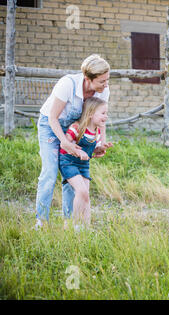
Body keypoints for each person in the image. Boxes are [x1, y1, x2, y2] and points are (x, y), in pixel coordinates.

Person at [35, 54, 111, 229]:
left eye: (107, 80)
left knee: (73, 171)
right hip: (51, 126)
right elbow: (53, 118)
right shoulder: (67, 85)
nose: (106, 85)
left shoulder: (103, 90)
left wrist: (100, 143)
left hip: (74, 129)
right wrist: (65, 142)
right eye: (102, 81)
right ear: (88, 79)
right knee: (51, 170)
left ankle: (68, 223)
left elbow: (101, 119)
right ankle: (41, 221)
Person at [59, 97, 112, 230]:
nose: (106, 116)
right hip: (69, 162)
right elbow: (65, 144)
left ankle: (86, 227)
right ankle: (75, 224)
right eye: (103, 113)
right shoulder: (77, 127)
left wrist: (101, 148)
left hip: (84, 165)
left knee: (86, 195)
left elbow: (93, 150)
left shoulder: (96, 132)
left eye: (106, 113)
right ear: (90, 114)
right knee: (81, 191)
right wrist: (78, 152)